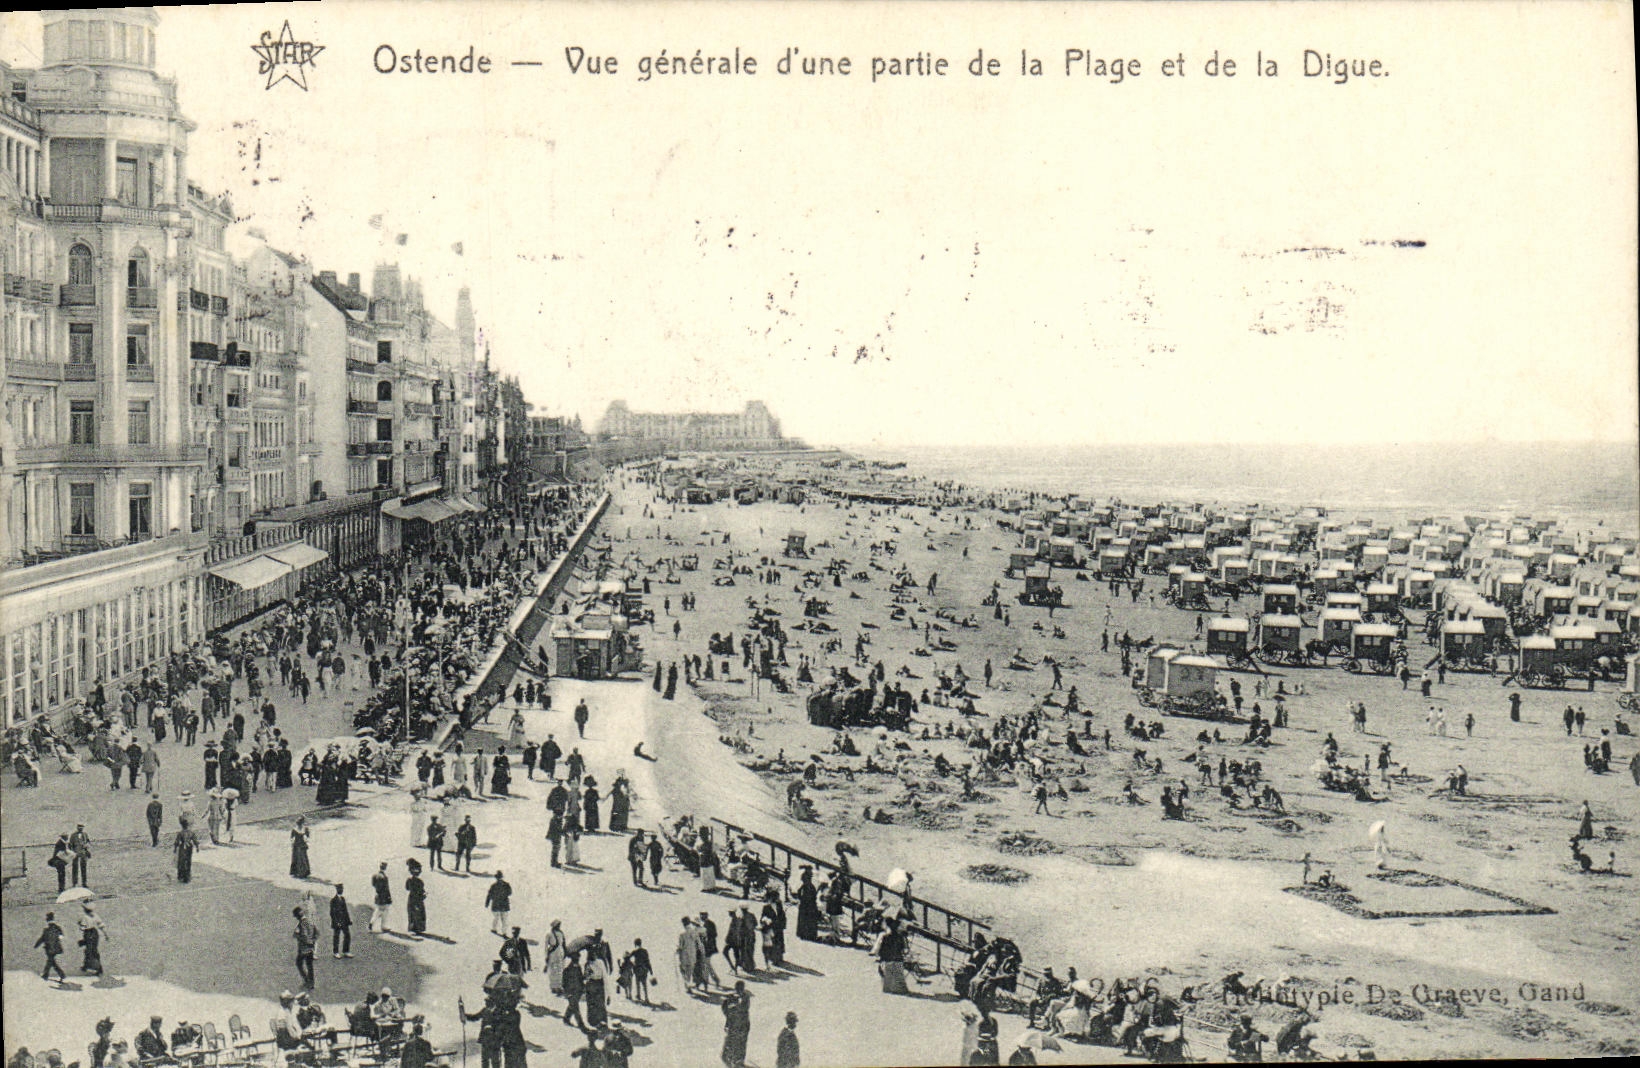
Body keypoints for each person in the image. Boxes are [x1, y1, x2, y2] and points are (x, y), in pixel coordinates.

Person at [721, 981, 752, 1068]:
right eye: (738, 990)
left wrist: (734, 1006)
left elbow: (744, 1008)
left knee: (741, 1042)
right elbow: (724, 1008)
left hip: (743, 1025)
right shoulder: (731, 998)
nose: (739, 991)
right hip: (733, 1024)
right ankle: (727, 1056)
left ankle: (739, 1060)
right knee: (731, 1040)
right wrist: (728, 1013)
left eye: (741, 990)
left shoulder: (746, 997)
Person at [35, 912, 67, 983]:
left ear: (47, 921)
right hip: (56, 948)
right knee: (51, 961)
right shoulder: (58, 928)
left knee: (51, 962)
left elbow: (42, 939)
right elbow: (61, 937)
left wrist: (36, 945)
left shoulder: (46, 930)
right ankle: (47, 975)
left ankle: (60, 975)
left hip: (49, 948)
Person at [293, 905, 318, 989]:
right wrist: (313, 942)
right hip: (311, 948)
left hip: (304, 949)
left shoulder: (301, 924)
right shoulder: (310, 922)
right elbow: (317, 933)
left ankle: (307, 980)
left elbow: (304, 936)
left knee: (299, 963)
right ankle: (311, 982)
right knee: (309, 965)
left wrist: (297, 935)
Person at [78, 903, 106, 976]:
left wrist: (79, 924)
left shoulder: (85, 917)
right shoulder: (95, 915)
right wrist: (105, 934)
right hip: (95, 933)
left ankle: (89, 966)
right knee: (94, 950)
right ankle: (97, 968)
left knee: (88, 950)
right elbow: (101, 925)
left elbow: (82, 928)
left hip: (88, 934)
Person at [330, 883, 354, 958]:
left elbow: (345, 910)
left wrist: (348, 920)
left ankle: (346, 951)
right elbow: (332, 913)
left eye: (342, 889)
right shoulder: (333, 900)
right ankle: (335, 952)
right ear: (337, 890)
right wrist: (336, 922)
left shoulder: (343, 899)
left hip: (344, 921)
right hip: (337, 922)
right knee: (336, 936)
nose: (341, 890)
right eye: (340, 889)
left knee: (347, 935)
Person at [487, 870, 513, 935]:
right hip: (504, 904)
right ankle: (503, 932)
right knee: (503, 919)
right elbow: (510, 893)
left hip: (497, 904)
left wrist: (487, 902)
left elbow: (490, 894)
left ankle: (495, 930)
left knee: (498, 918)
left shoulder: (494, 886)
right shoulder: (506, 885)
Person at [406, 860, 428, 936]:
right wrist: (424, 894)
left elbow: (407, 888)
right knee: (419, 913)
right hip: (418, 899)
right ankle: (418, 929)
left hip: (412, 898)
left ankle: (413, 928)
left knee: (412, 913)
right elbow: (421, 890)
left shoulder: (409, 880)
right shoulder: (420, 881)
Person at [173, 819, 198, 883]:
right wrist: (197, 847)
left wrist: (175, 848)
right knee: (188, 861)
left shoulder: (181, 833)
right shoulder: (191, 832)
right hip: (189, 847)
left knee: (181, 861)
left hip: (183, 848)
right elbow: (195, 840)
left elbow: (177, 841)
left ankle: (181, 875)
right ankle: (187, 875)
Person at [371, 861, 393, 933]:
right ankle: (383, 926)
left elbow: (373, 884)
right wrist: (389, 897)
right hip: (384, 896)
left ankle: (372, 922)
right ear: (385, 868)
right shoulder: (385, 877)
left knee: (378, 909)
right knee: (385, 911)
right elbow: (387, 888)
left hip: (378, 895)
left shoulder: (375, 876)